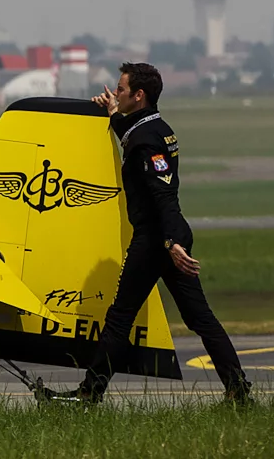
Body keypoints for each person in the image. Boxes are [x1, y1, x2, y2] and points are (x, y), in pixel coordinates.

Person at [77, 62, 251, 404]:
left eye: (121, 90)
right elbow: (131, 133)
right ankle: (238, 391)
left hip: (157, 239)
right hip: (169, 237)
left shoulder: (146, 140)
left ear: (138, 95)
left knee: (119, 317)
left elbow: (163, 195)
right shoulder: (155, 127)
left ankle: (88, 395)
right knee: (201, 319)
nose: (116, 93)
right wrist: (113, 112)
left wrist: (170, 243)